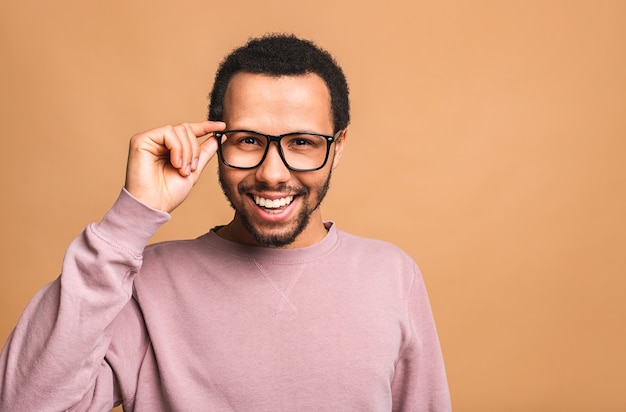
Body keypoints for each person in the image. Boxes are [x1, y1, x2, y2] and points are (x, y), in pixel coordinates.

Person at [0, 34, 451, 411]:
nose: (273, 173)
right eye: (248, 140)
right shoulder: (149, 281)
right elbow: (24, 401)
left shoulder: (391, 274)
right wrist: (128, 219)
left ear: (338, 146)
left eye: (302, 142)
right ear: (215, 140)